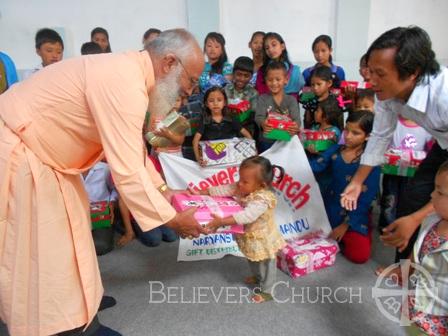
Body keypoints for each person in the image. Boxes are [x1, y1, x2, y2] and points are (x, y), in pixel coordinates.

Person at [0, 28, 207, 336]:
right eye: (191, 79)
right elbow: (128, 171)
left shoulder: (130, 75)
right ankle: (64, 326)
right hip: (22, 152)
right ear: (169, 63)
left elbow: (132, 151)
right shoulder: (125, 83)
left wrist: (164, 190)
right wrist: (174, 220)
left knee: (73, 234)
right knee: (44, 248)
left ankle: (83, 303)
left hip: (46, 157)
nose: (191, 91)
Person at [340, 26, 448, 264]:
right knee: (412, 197)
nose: (371, 80)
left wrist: (418, 218)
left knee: (441, 203)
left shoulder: (444, 96)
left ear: (413, 73)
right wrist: (357, 182)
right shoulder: (386, 94)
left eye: (380, 73)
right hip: (444, 144)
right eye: (370, 71)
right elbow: (380, 135)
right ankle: (405, 266)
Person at [203, 156, 286, 303]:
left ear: (261, 185)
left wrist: (221, 221)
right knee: (252, 258)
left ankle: (267, 290)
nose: (239, 184)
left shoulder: (263, 199)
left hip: (264, 239)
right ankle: (257, 277)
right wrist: (204, 192)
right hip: (250, 236)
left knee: (266, 264)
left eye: (244, 181)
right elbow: (226, 188)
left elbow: (246, 216)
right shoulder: (243, 186)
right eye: (239, 178)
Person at [382, 161, 448, 336]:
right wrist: (405, 269)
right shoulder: (430, 220)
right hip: (415, 304)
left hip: (439, 319)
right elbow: (419, 252)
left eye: (440, 192)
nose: (432, 195)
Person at [311, 111, 380, 263]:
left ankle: (360, 230)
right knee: (307, 236)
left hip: (354, 213)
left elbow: (367, 198)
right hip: (330, 206)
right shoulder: (335, 150)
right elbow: (314, 167)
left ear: (368, 136)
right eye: (347, 130)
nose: (348, 136)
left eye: (356, 133)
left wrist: (345, 225)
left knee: (359, 256)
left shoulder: (370, 163)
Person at [378, 116, 432, 231]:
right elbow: (385, 143)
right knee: (389, 198)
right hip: (392, 171)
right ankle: (387, 224)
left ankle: (402, 224)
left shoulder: (426, 126)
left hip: (413, 172)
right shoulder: (393, 122)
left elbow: (429, 149)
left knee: (406, 198)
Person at [193, 86, 252, 166]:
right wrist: (198, 159)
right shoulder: (204, 120)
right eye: (211, 101)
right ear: (206, 104)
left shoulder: (231, 118)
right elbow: (195, 141)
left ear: (224, 102)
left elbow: (246, 134)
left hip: (232, 158)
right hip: (212, 160)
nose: (215, 103)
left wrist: (252, 150)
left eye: (219, 100)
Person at [255, 61, 300, 152]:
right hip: (267, 142)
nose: (274, 83)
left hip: (286, 142)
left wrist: (295, 126)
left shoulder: (291, 100)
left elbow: (297, 120)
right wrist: (263, 123)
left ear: (286, 80)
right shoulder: (262, 98)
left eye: (278, 79)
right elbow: (258, 117)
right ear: (265, 80)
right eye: (270, 80)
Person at [82, 161, 118, 256]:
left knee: (100, 246)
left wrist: (112, 203)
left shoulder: (105, 169)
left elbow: (115, 189)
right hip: (78, 213)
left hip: (101, 213)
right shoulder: (67, 170)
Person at [255, 32, 304, 98]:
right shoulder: (262, 71)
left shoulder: (295, 70)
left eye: (274, 45)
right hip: (269, 105)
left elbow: (300, 89)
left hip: (291, 106)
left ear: (282, 46)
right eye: (267, 48)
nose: (270, 49)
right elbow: (262, 93)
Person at [225, 56, 259, 136]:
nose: (242, 79)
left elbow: (253, 114)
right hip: (227, 127)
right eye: (239, 74)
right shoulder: (225, 90)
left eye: (246, 76)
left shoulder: (253, 93)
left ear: (251, 76)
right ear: (233, 73)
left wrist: (243, 114)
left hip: (246, 129)